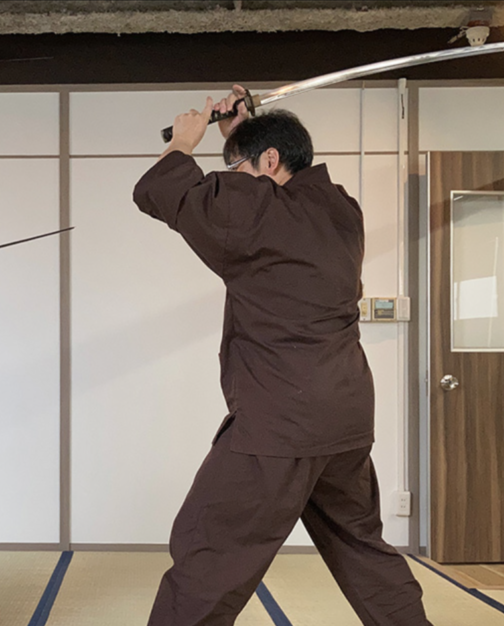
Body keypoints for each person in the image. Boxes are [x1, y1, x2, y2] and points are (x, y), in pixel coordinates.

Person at [132, 86, 431, 626]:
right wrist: (240, 135)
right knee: (363, 550)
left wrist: (184, 143)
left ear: (270, 160)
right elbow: (260, 197)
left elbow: (160, 190)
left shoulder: (258, 212)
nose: (234, 177)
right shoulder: (342, 209)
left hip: (279, 425)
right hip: (344, 420)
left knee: (209, 553)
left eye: (239, 165)